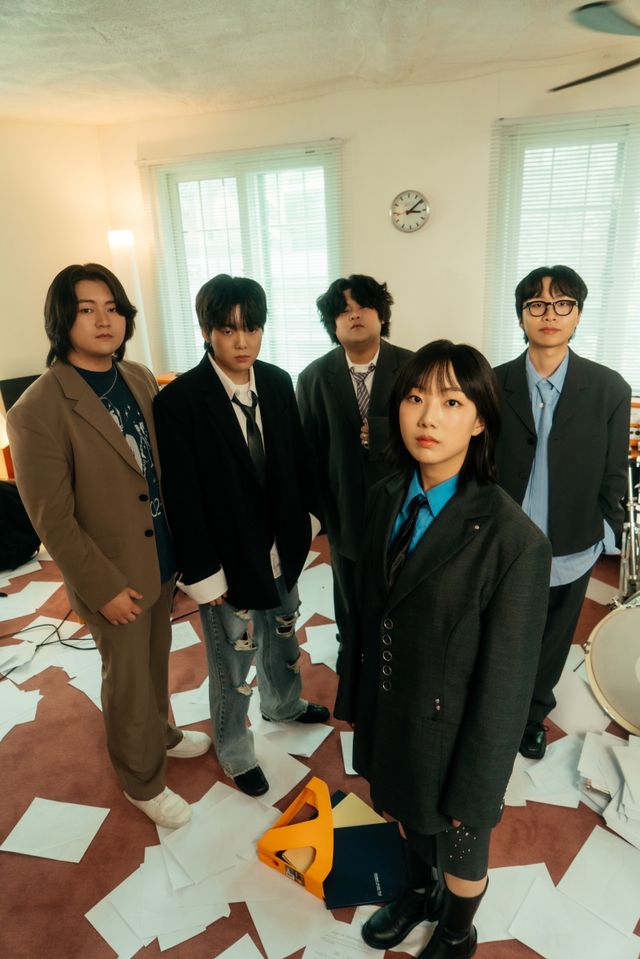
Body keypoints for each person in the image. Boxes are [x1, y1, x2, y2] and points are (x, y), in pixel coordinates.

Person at [335, 340, 550, 959]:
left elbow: (507, 683)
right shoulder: (385, 496)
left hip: (453, 736)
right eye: (414, 397)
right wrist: (358, 703)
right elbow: (368, 613)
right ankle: (419, 893)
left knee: (460, 847)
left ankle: (457, 929)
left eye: (452, 402)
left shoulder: (513, 542)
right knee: (402, 815)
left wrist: (476, 789)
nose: (428, 417)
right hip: (391, 712)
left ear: (480, 420)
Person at [7, 263, 210, 830]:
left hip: (160, 555)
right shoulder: (37, 409)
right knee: (127, 679)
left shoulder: (138, 377)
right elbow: (52, 519)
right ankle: (141, 780)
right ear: (61, 319)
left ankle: (160, 733)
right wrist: (101, 587)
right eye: (86, 309)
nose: (104, 320)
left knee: (154, 659)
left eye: (113, 307)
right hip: (111, 574)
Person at [153, 274, 328, 798]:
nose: (242, 341)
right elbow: (181, 496)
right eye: (228, 330)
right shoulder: (180, 400)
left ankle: (284, 704)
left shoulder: (276, 380)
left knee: (284, 636)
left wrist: (308, 521)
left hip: (282, 545)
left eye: (252, 328)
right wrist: (204, 574)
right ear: (207, 331)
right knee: (233, 661)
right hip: (226, 560)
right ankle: (233, 749)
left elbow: (297, 459)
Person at [494, 265, 631, 760]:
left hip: (572, 539)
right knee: (498, 630)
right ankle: (492, 710)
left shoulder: (609, 388)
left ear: (577, 314)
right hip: (502, 538)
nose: (549, 314)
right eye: (536, 304)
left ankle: (533, 713)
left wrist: (604, 532)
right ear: (521, 316)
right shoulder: (493, 383)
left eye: (562, 304)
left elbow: (614, 470)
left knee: (552, 638)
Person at [296, 275, 412, 668]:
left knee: (399, 580)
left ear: (382, 315)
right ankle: (351, 647)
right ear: (333, 324)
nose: (354, 315)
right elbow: (308, 451)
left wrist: (384, 432)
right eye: (344, 311)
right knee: (347, 585)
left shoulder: (412, 367)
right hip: (342, 501)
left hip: (402, 500)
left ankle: (394, 650)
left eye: (363, 306)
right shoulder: (313, 377)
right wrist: (317, 513)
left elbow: (431, 430)